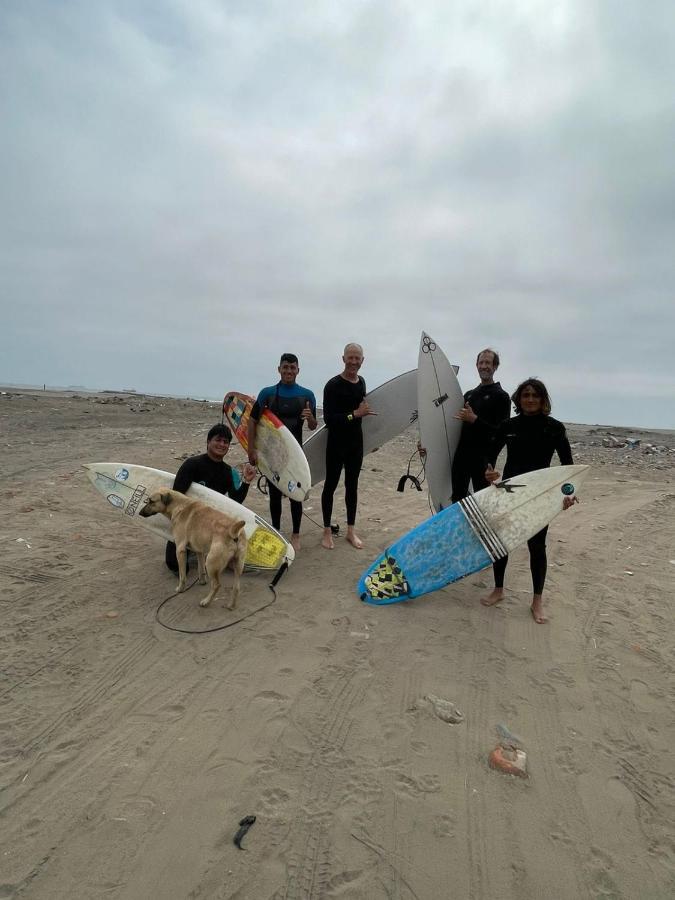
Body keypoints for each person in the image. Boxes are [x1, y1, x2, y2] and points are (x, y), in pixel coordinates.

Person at [481, 378, 578, 623]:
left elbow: (568, 467)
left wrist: (568, 493)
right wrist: (489, 471)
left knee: (537, 546)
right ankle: (499, 589)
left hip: (540, 494)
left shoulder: (554, 428)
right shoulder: (508, 425)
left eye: (535, 395)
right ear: (519, 399)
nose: (531, 399)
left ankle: (537, 601)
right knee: (501, 542)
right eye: (526, 395)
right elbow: (489, 455)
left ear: (543, 399)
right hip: (511, 491)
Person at [247, 353, 317, 551]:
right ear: (279, 369)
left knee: (297, 493)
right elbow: (252, 421)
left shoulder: (307, 395)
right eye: (285, 367)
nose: (288, 371)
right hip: (272, 454)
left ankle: (296, 534)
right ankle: (276, 530)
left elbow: (312, 426)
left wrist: (311, 417)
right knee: (275, 494)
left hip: (296, 454)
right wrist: (251, 449)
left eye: (292, 367)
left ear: (298, 370)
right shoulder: (267, 393)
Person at [165, 423, 256, 573]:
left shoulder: (228, 472)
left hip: (211, 522)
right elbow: (177, 496)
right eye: (218, 440)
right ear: (208, 442)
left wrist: (246, 481)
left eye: (225, 442)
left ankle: (205, 546)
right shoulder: (192, 465)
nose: (222, 444)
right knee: (175, 566)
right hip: (187, 521)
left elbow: (236, 499)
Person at [320, 343, 376, 550]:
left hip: (356, 444)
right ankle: (327, 530)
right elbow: (329, 420)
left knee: (352, 486)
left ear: (363, 360)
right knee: (331, 486)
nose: (353, 362)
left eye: (357, 358)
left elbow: (364, 413)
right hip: (336, 443)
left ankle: (350, 531)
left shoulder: (361, 382)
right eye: (350, 357)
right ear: (343, 359)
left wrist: (372, 440)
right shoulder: (332, 385)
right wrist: (355, 414)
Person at [451, 348, 511, 502]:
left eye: (488, 363)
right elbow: (452, 425)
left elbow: (501, 433)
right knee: (457, 499)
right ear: (476, 365)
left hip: (484, 460)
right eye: (481, 362)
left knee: (482, 503)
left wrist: (475, 420)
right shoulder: (469, 395)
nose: (484, 366)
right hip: (461, 458)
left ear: (495, 366)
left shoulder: (501, 397)